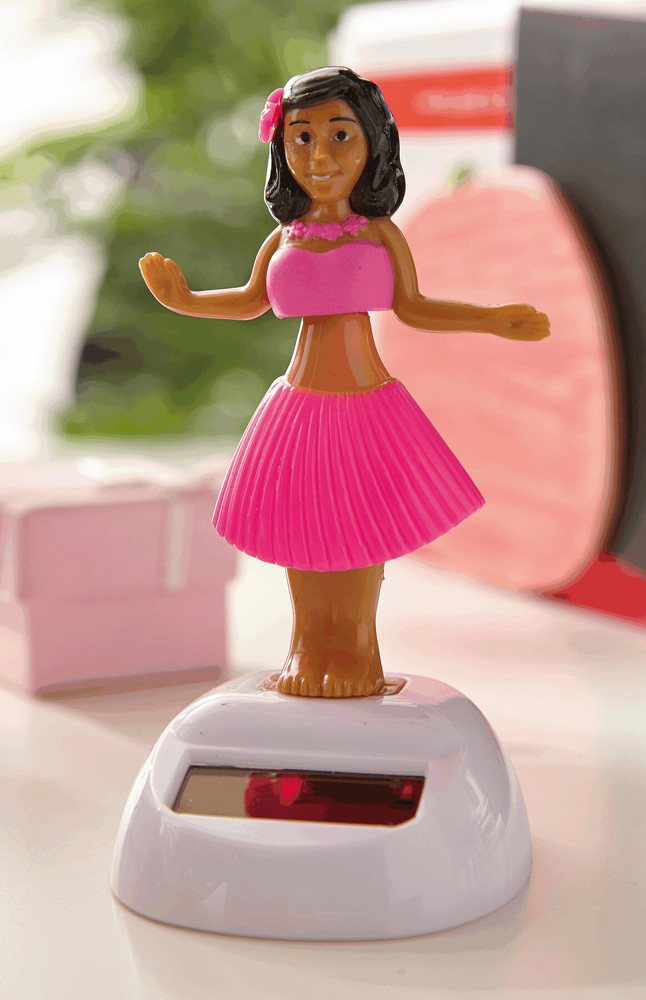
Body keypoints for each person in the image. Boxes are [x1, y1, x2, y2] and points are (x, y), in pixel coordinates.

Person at [140, 67, 549, 699]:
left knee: (358, 537)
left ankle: (356, 651)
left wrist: (490, 319)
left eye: (339, 135)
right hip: (298, 405)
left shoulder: (378, 233)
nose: (320, 156)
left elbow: (415, 308)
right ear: (282, 149)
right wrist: (184, 300)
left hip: (366, 404)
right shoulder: (284, 238)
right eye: (301, 138)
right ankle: (308, 647)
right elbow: (249, 301)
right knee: (303, 536)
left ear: (372, 143)